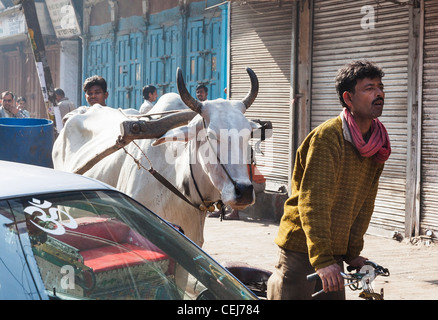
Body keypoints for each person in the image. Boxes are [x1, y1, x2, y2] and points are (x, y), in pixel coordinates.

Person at [267, 60, 391, 300]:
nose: (378, 93)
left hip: (333, 251)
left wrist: (352, 252)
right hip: (302, 248)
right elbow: (315, 204)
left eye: (380, 86)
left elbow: (365, 203)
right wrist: (322, 260)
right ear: (348, 98)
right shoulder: (328, 137)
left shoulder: (377, 142)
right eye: (369, 88)